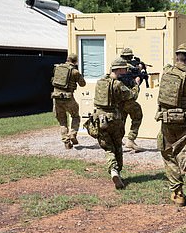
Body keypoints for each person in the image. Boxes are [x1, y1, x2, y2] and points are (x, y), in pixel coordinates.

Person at [156, 43, 186, 207]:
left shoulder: (166, 73)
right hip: (184, 122)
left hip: (166, 121)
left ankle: (178, 194)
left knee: (168, 155)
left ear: (177, 57)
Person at [93, 58, 141, 189]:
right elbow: (132, 96)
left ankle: (113, 170)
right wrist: (136, 84)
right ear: (119, 70)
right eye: (124, 69)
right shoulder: (118, 85)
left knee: (108, 148)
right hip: (113, 118)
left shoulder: (100, 82)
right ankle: (117, 170)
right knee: (117, 146)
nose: (126, 71)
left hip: (98, 118)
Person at [51, 53, 86, 149]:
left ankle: (66, 141)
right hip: (68, 98)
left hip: (56, 98)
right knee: (75, 116)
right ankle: (73, 134)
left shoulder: (57, 68)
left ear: (67, 59)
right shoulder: (74, 72)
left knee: (62, 121)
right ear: (75, 61)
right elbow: (83, 84)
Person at [119, 47, 144, 152]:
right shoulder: (132, 68)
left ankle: (118, 141)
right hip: (129, 100)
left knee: (121, 121)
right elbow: (135, 86)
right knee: (137, 117)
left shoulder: (117, 67)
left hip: (118, 100)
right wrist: (139, 78)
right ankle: (131, 139)